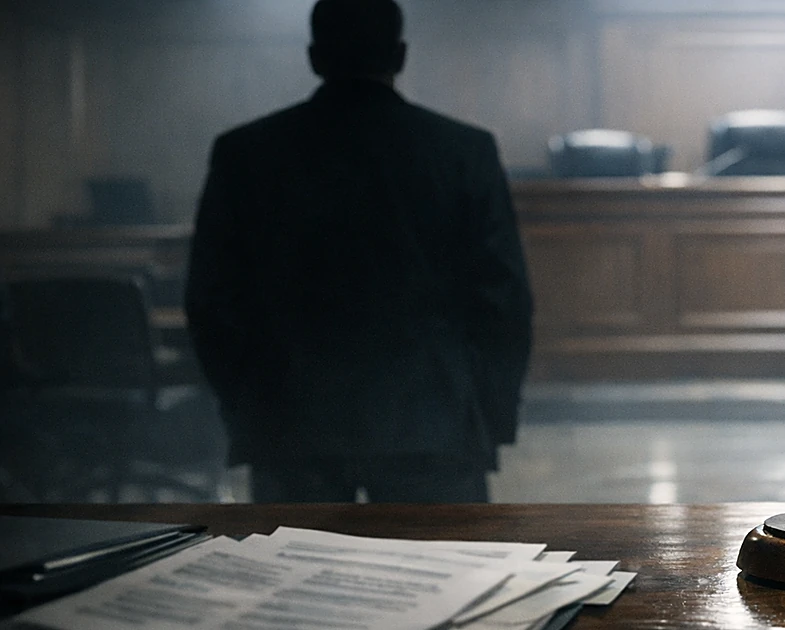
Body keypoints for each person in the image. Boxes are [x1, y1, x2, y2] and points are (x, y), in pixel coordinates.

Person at [185, 0, 533, 503]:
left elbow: (212, 300)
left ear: (314, 57)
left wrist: (247, 404)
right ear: (400, 54)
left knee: (300, 577)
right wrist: (488, 415)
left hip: (292, 418)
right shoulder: (464, 151)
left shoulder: (246, 153)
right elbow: (504, 303)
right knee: (445, 577)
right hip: (433, 417)